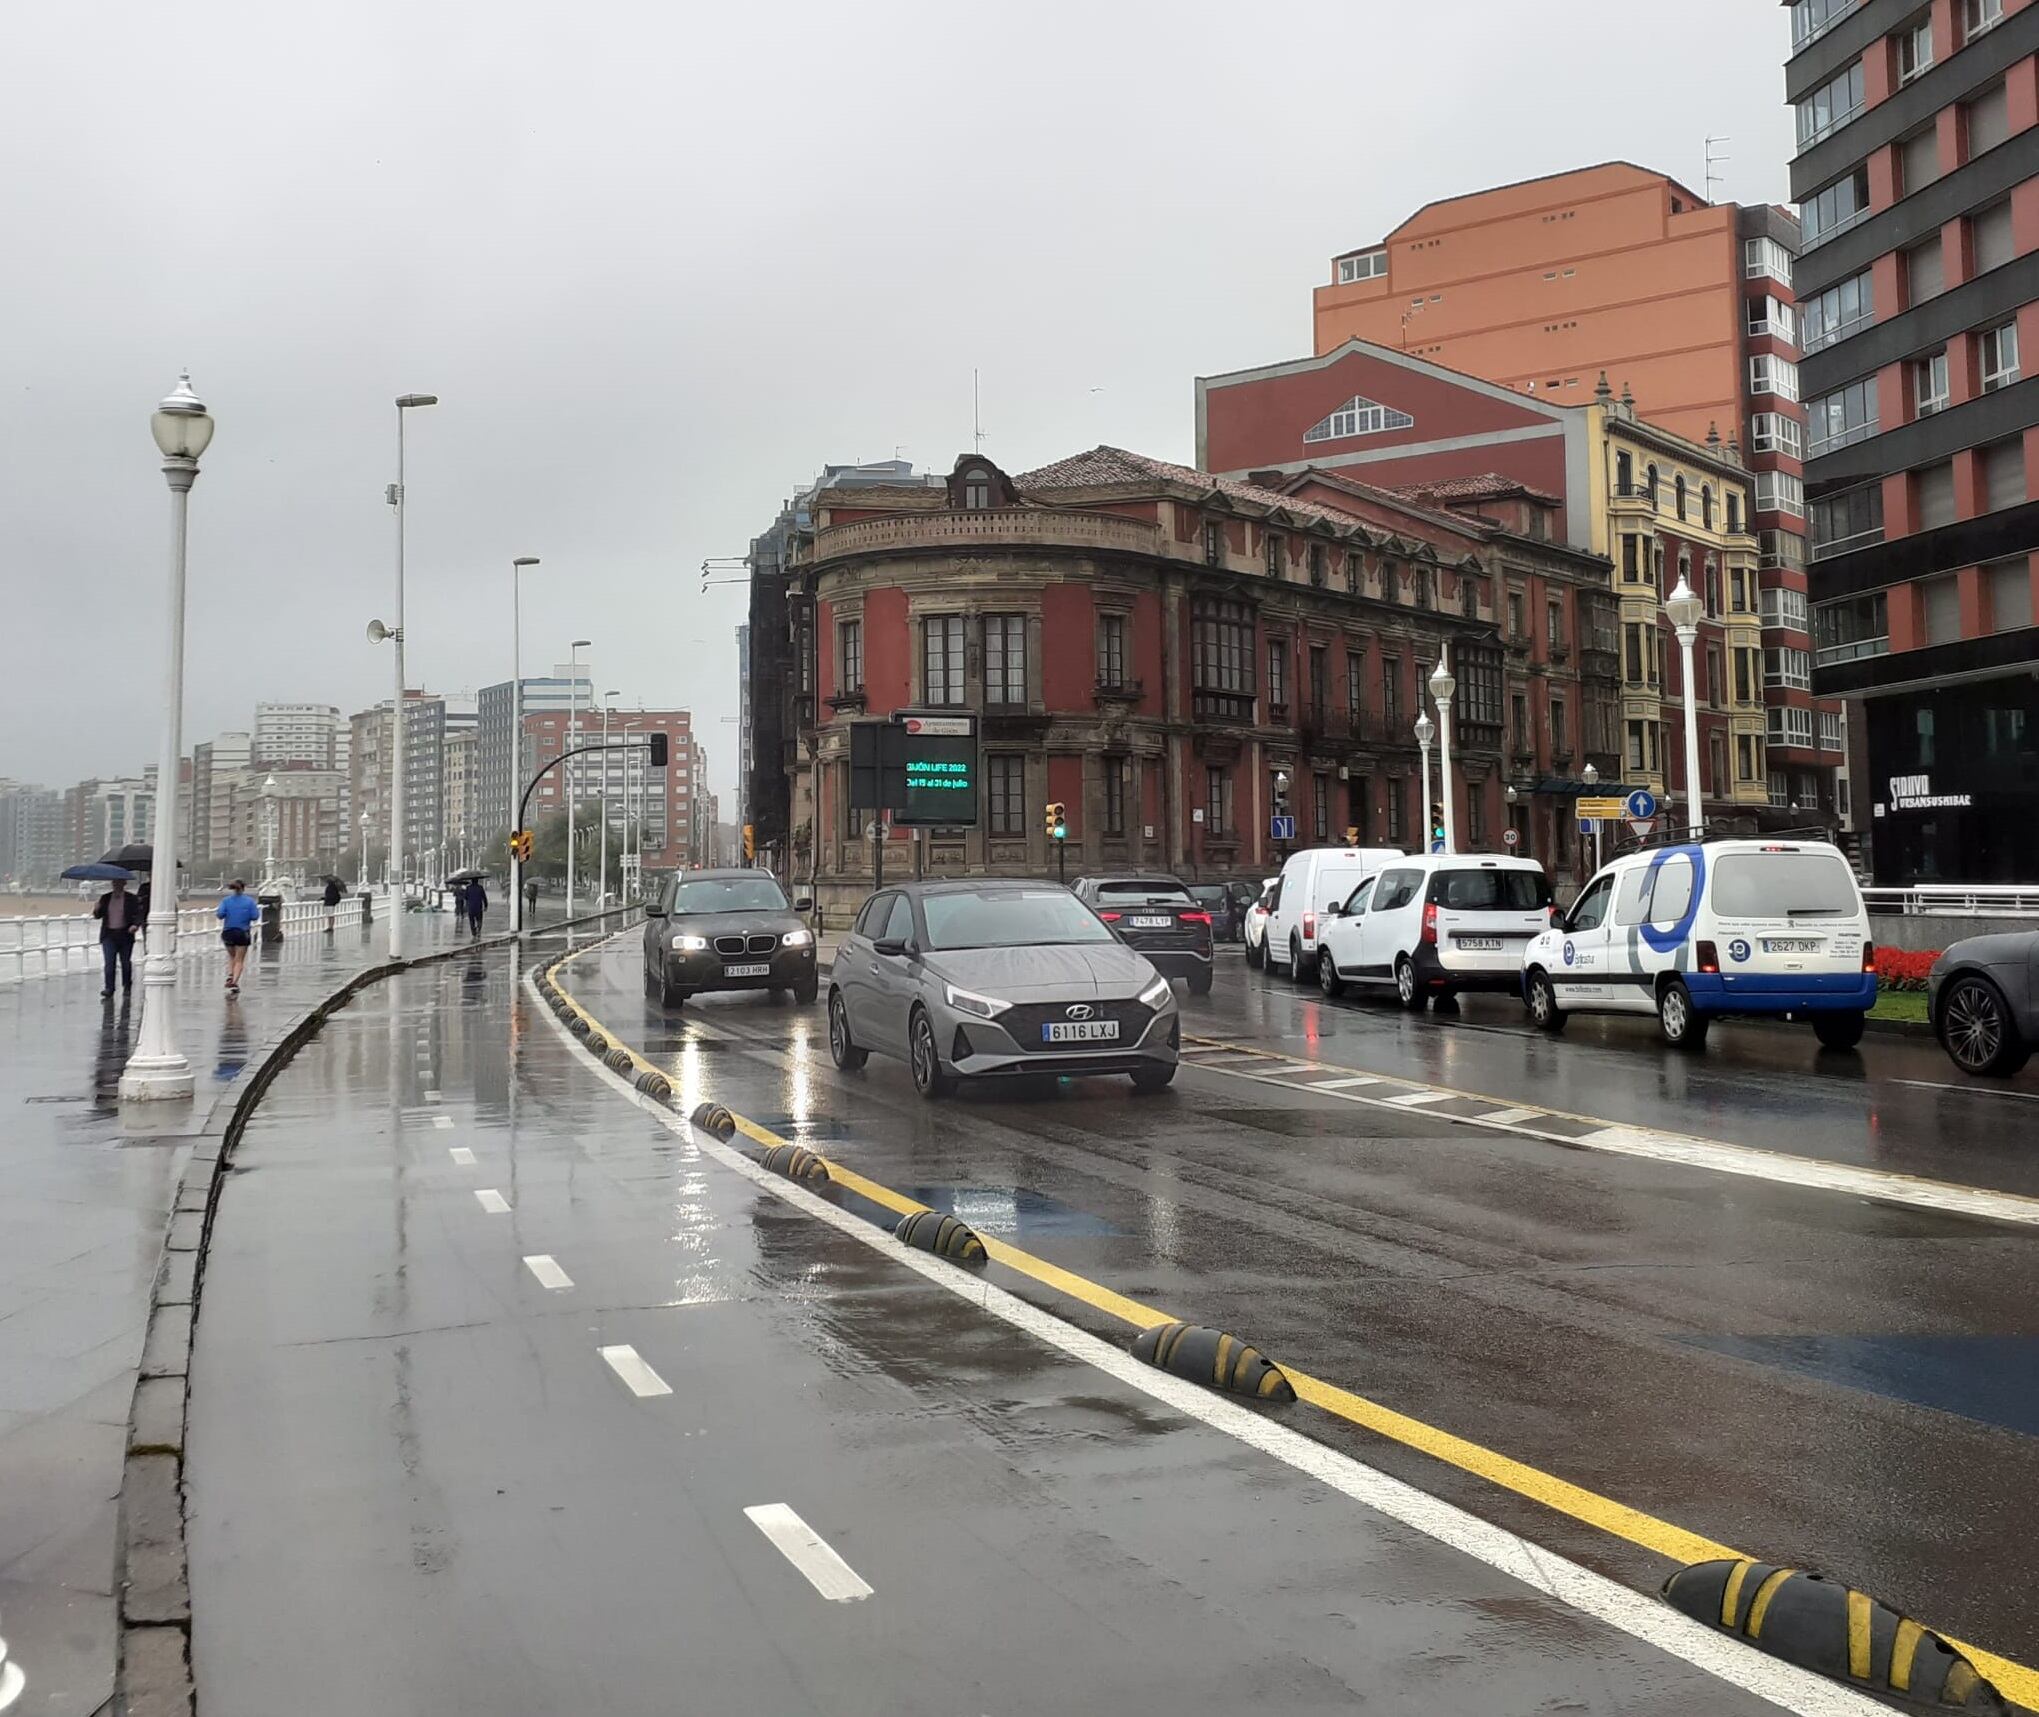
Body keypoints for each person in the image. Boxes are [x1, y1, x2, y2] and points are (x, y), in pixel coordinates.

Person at [92, 876, 140, 997]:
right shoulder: (105, 898)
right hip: (109, 935)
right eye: (114, 882)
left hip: (125, 935)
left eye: (119, 882)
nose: (116, 884)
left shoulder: (131, 898)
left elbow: (139, 914)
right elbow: (98, 916)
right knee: (109, 962)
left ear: (124, 883)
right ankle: (109, 988)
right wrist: (96, 909)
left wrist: (135, 925)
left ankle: (127, 986)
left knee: (125, 962)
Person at [217, 880, 261, 992]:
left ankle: (230, 975)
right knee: (239, 959)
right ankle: (234, 982)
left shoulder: (226, 901)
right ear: (243, 888)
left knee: (232, 956)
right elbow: (255, 916)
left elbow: (220, 915)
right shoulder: (250, 901)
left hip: (228, 932)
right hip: (242, 932)